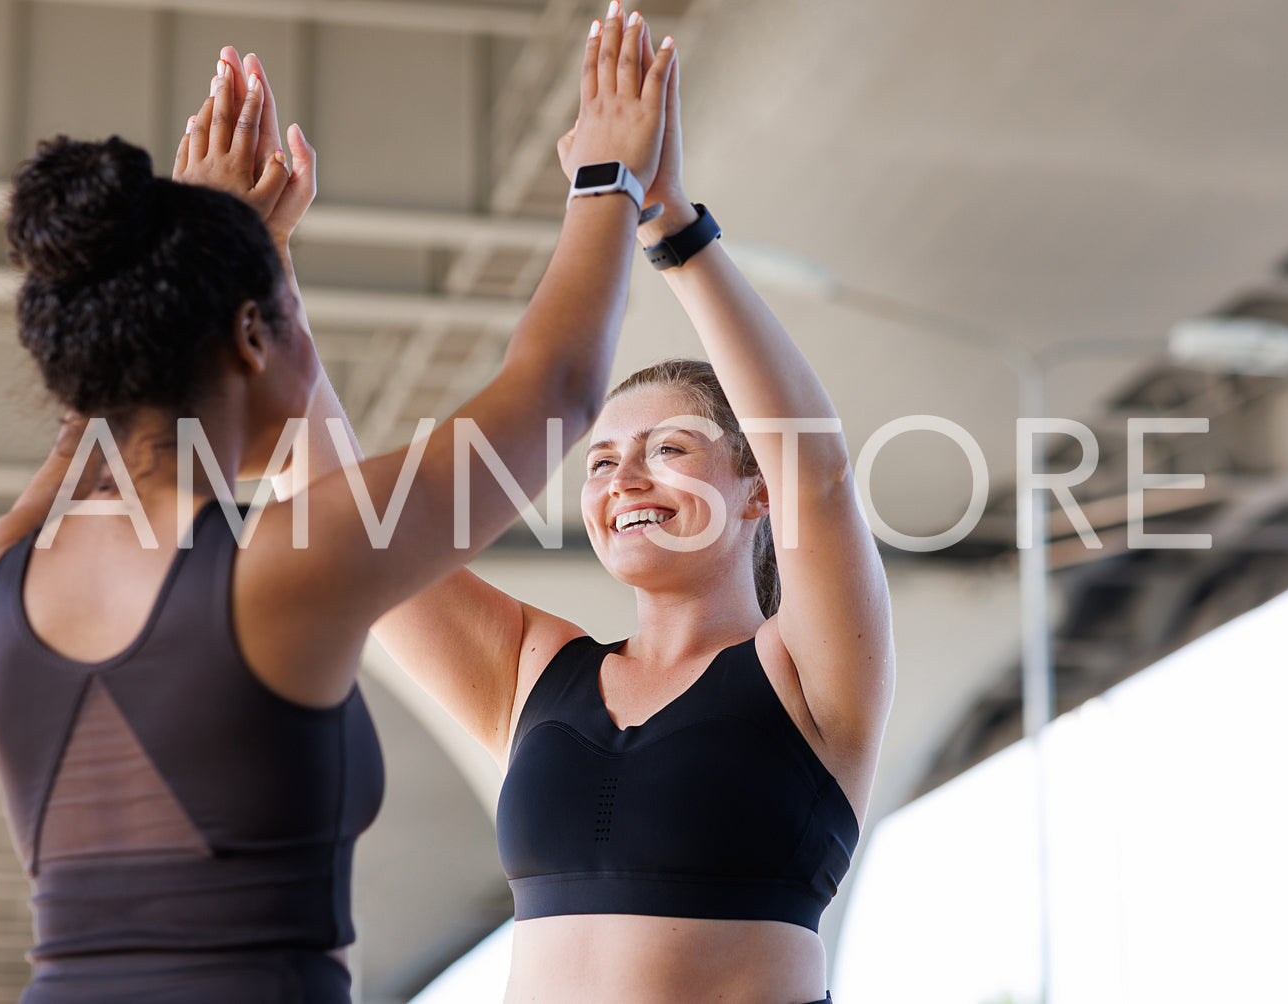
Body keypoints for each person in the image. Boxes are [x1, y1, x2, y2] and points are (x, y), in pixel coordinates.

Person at [0, 14, 675, 1002]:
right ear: (252, 335)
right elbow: (554, 393)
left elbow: (102, 405)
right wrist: (609, 178)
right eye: (290, 313)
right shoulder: (281, 569)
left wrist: (208, 258)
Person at [280, 13, 897, 1002]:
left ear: (750, 488)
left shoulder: (808, 674)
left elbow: (814, 471)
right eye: (602, 460)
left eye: (668, 448)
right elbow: (343, 528)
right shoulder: (534, 672)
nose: (622, 481)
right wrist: (261, 289)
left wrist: (670, 225)